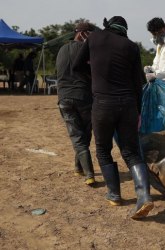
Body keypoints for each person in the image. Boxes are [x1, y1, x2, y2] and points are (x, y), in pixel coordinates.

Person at [73, 16, 154, 219]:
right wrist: (137, 111)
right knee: (132, 153)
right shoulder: (132, 46)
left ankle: (114, 194)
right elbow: (139, 83)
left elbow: (76, 66)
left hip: (102, 104)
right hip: (127, 105)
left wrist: (95, 79)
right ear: (124, 30)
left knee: (103, 150)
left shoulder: (94, 38)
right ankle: (143, 196)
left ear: (108, 26)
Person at [56, 21, 96, 185]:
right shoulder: (86, 50)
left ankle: (78, 167)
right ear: (83, 34)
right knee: (83, 135)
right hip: (83, 97)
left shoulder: (61, 50)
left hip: (64, 98)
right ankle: (89, 174)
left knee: (77, 134)